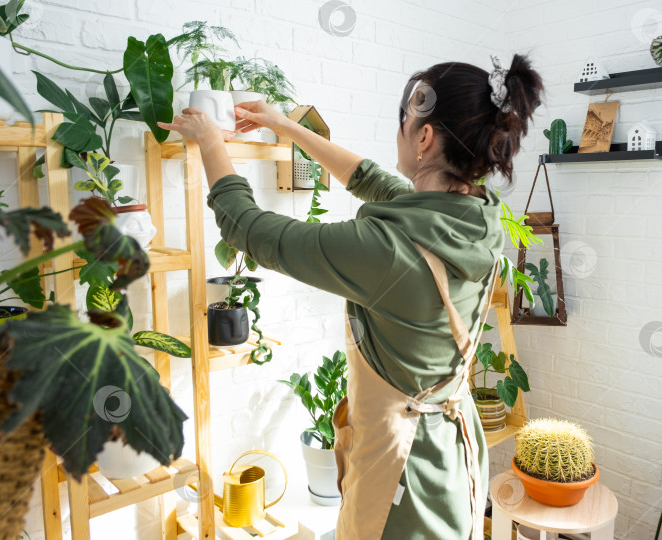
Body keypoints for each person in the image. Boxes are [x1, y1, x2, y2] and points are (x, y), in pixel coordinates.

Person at [158, 53, 543, 540]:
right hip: (453, 447)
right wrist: (286, 126)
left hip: (404, 470)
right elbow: (372, 181)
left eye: (407, 120)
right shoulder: (479, 217)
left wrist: (211, 143)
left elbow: (248, 229)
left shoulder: (387, 250)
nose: (401, 128)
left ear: (424, 137)